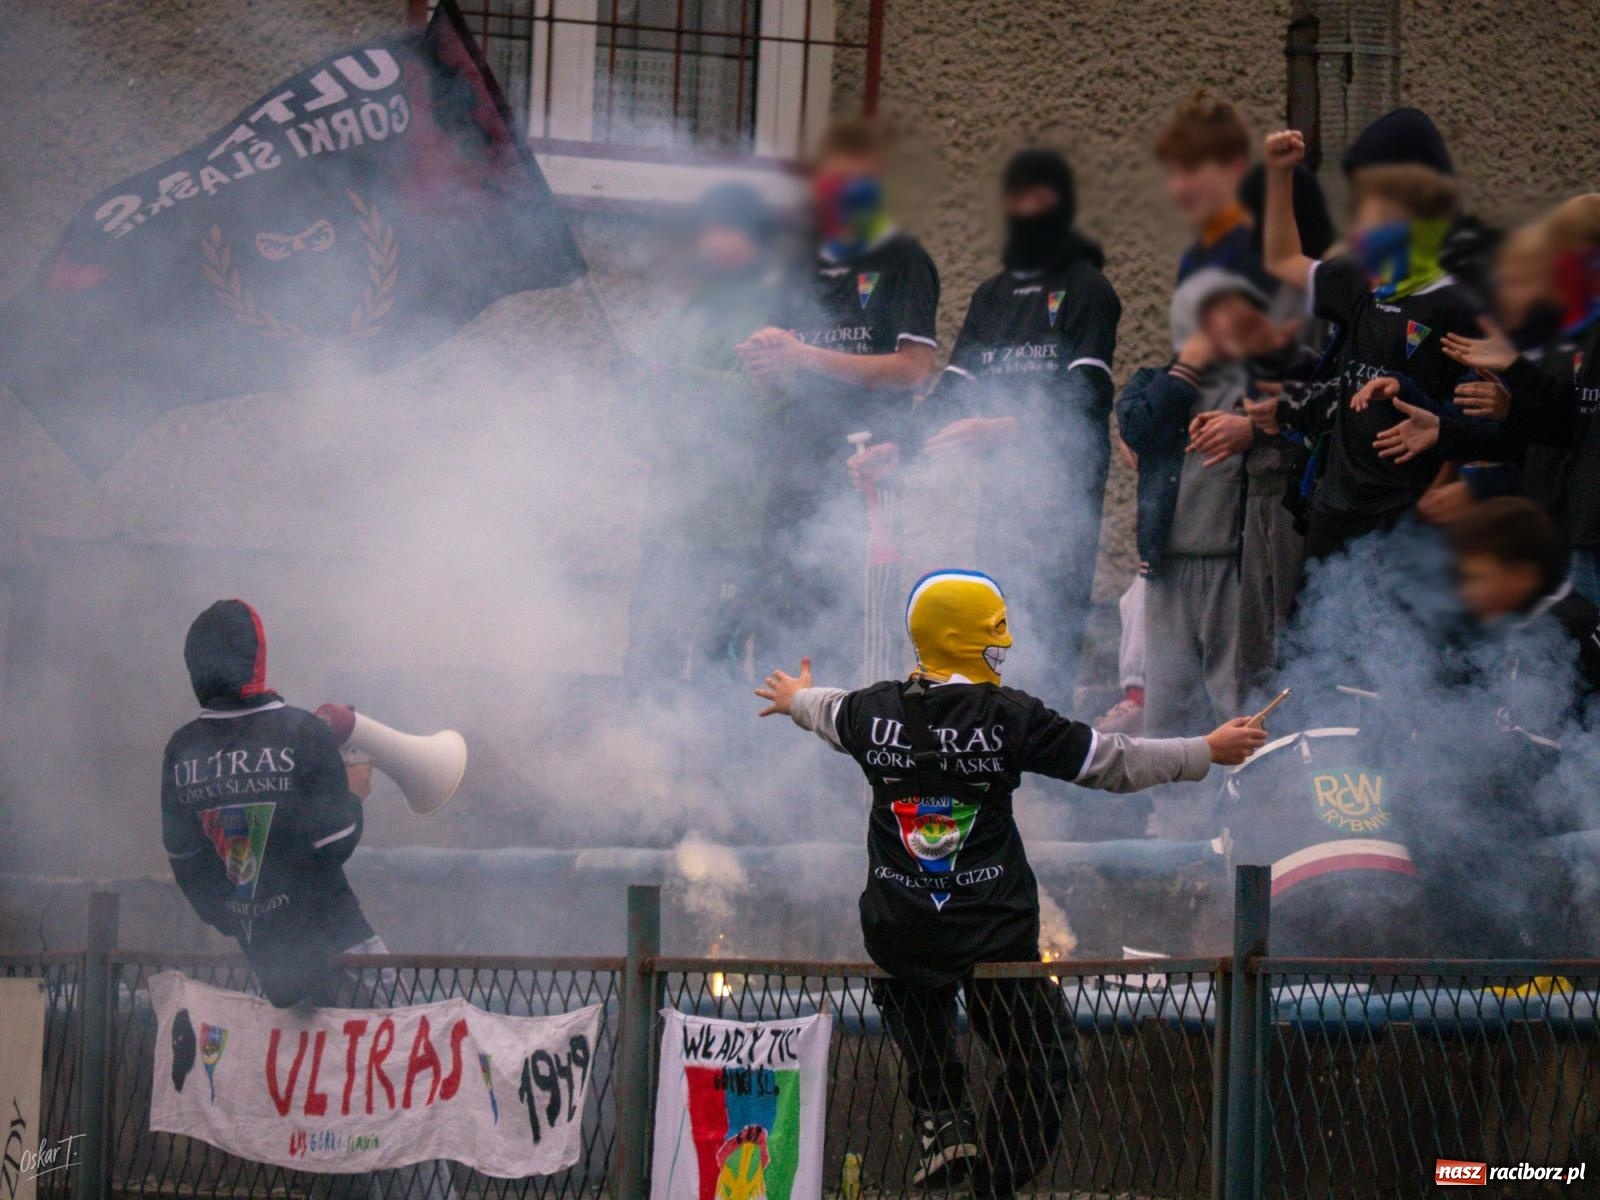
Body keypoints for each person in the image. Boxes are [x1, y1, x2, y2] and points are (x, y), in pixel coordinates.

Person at [753, 569, 1266, 1197]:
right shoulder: (1007, 717)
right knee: (1044, 1062)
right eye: (996, 629)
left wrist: (793, 697)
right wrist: (1205, 750)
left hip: (901, 924)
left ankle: (943, 1118)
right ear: (960, 637)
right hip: (992, 932)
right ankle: (992, 1187)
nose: (1007, 642)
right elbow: (1114, 762)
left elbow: (823, 708)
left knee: (910, 989)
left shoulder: (870, 711)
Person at [910, 148, 1121, 690]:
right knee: (999, 622)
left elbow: (1088, 394)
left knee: (1051, 625)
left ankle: (1050, 760)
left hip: (1062, 497)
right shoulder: (992, 294)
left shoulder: (1087, 288)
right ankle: (1002, 752)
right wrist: (901, 444)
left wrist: (998, 430)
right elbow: (955, 389)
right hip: (1002, 497)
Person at [738, 119, 939, 677]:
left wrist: (803, 355)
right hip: (794, 468)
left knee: (855, 623)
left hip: (864, 473)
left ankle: (850, 756)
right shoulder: (800, 265)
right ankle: (778, 754)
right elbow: (775, 382)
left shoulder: (904, 260)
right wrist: (764, 360)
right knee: (780, 614)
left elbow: (915, 369)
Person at [1258, 127, 1482, 560]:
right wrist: (1278, 174)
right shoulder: (1363, 280)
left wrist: (1442, 489)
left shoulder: (1461, 301)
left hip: (1406, 519)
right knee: (1315, 626)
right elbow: (1283, 260)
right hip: (1334, 510)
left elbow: (1475, 416)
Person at [161, 600, 374, 1008]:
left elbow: (185, 858)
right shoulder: (302, 733)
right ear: (255, 656)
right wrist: (354, 793)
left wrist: (239, 915)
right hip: (337, 941)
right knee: (389, 1056)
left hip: (265, 956)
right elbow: (335, 841)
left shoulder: (183, 748)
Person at [619, 183, 779, 693]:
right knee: (649, 660)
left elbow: (765, 405)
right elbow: (640, 425)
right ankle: (640, 763)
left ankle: (717, 772)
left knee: (719, 670)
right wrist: (636, 391)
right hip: (668, 531)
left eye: (725, 229)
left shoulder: (774, 316)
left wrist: (674, 380)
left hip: (734, 531)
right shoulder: (678, 319)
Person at [1117, 269, 1283, 736]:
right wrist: (1185, 370)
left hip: (1235, 566)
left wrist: (1250, 431)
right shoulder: (1156, 383)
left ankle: (1246, 804)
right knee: (1168, 708)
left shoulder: (1262, 389)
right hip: (1167, 568)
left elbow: (1296, 442)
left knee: (1236, 699)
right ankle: (1171, 810)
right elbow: (1138, 429)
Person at [1439, 195, 1600, 602]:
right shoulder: (1562, 331)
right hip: (1557, 532)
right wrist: (1509, 408)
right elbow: (1567, 428)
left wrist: (1517, 372)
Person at [1156, 90, 1276, 294]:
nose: (1177, 187)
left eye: (1191, 168)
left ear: (1235, 167)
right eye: (1173, 173)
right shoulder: (1194, 259)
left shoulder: (1262, 261)